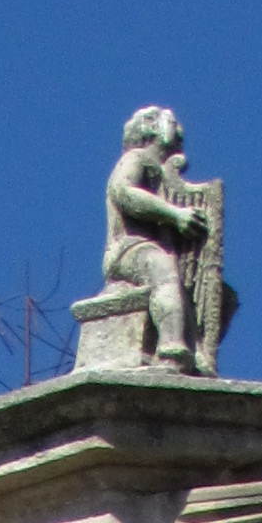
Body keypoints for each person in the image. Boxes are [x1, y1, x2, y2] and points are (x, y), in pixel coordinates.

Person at [100, 110, 213, 374]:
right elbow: (124, 192)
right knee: (162, 270)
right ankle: (172, 351)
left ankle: (197, 352)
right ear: (150, 128)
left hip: (152, 248)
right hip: (126, 250)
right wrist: (175, 214)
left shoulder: (162, 173)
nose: (179, 128)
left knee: (196, 292)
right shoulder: (136, 158)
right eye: (172, 122)